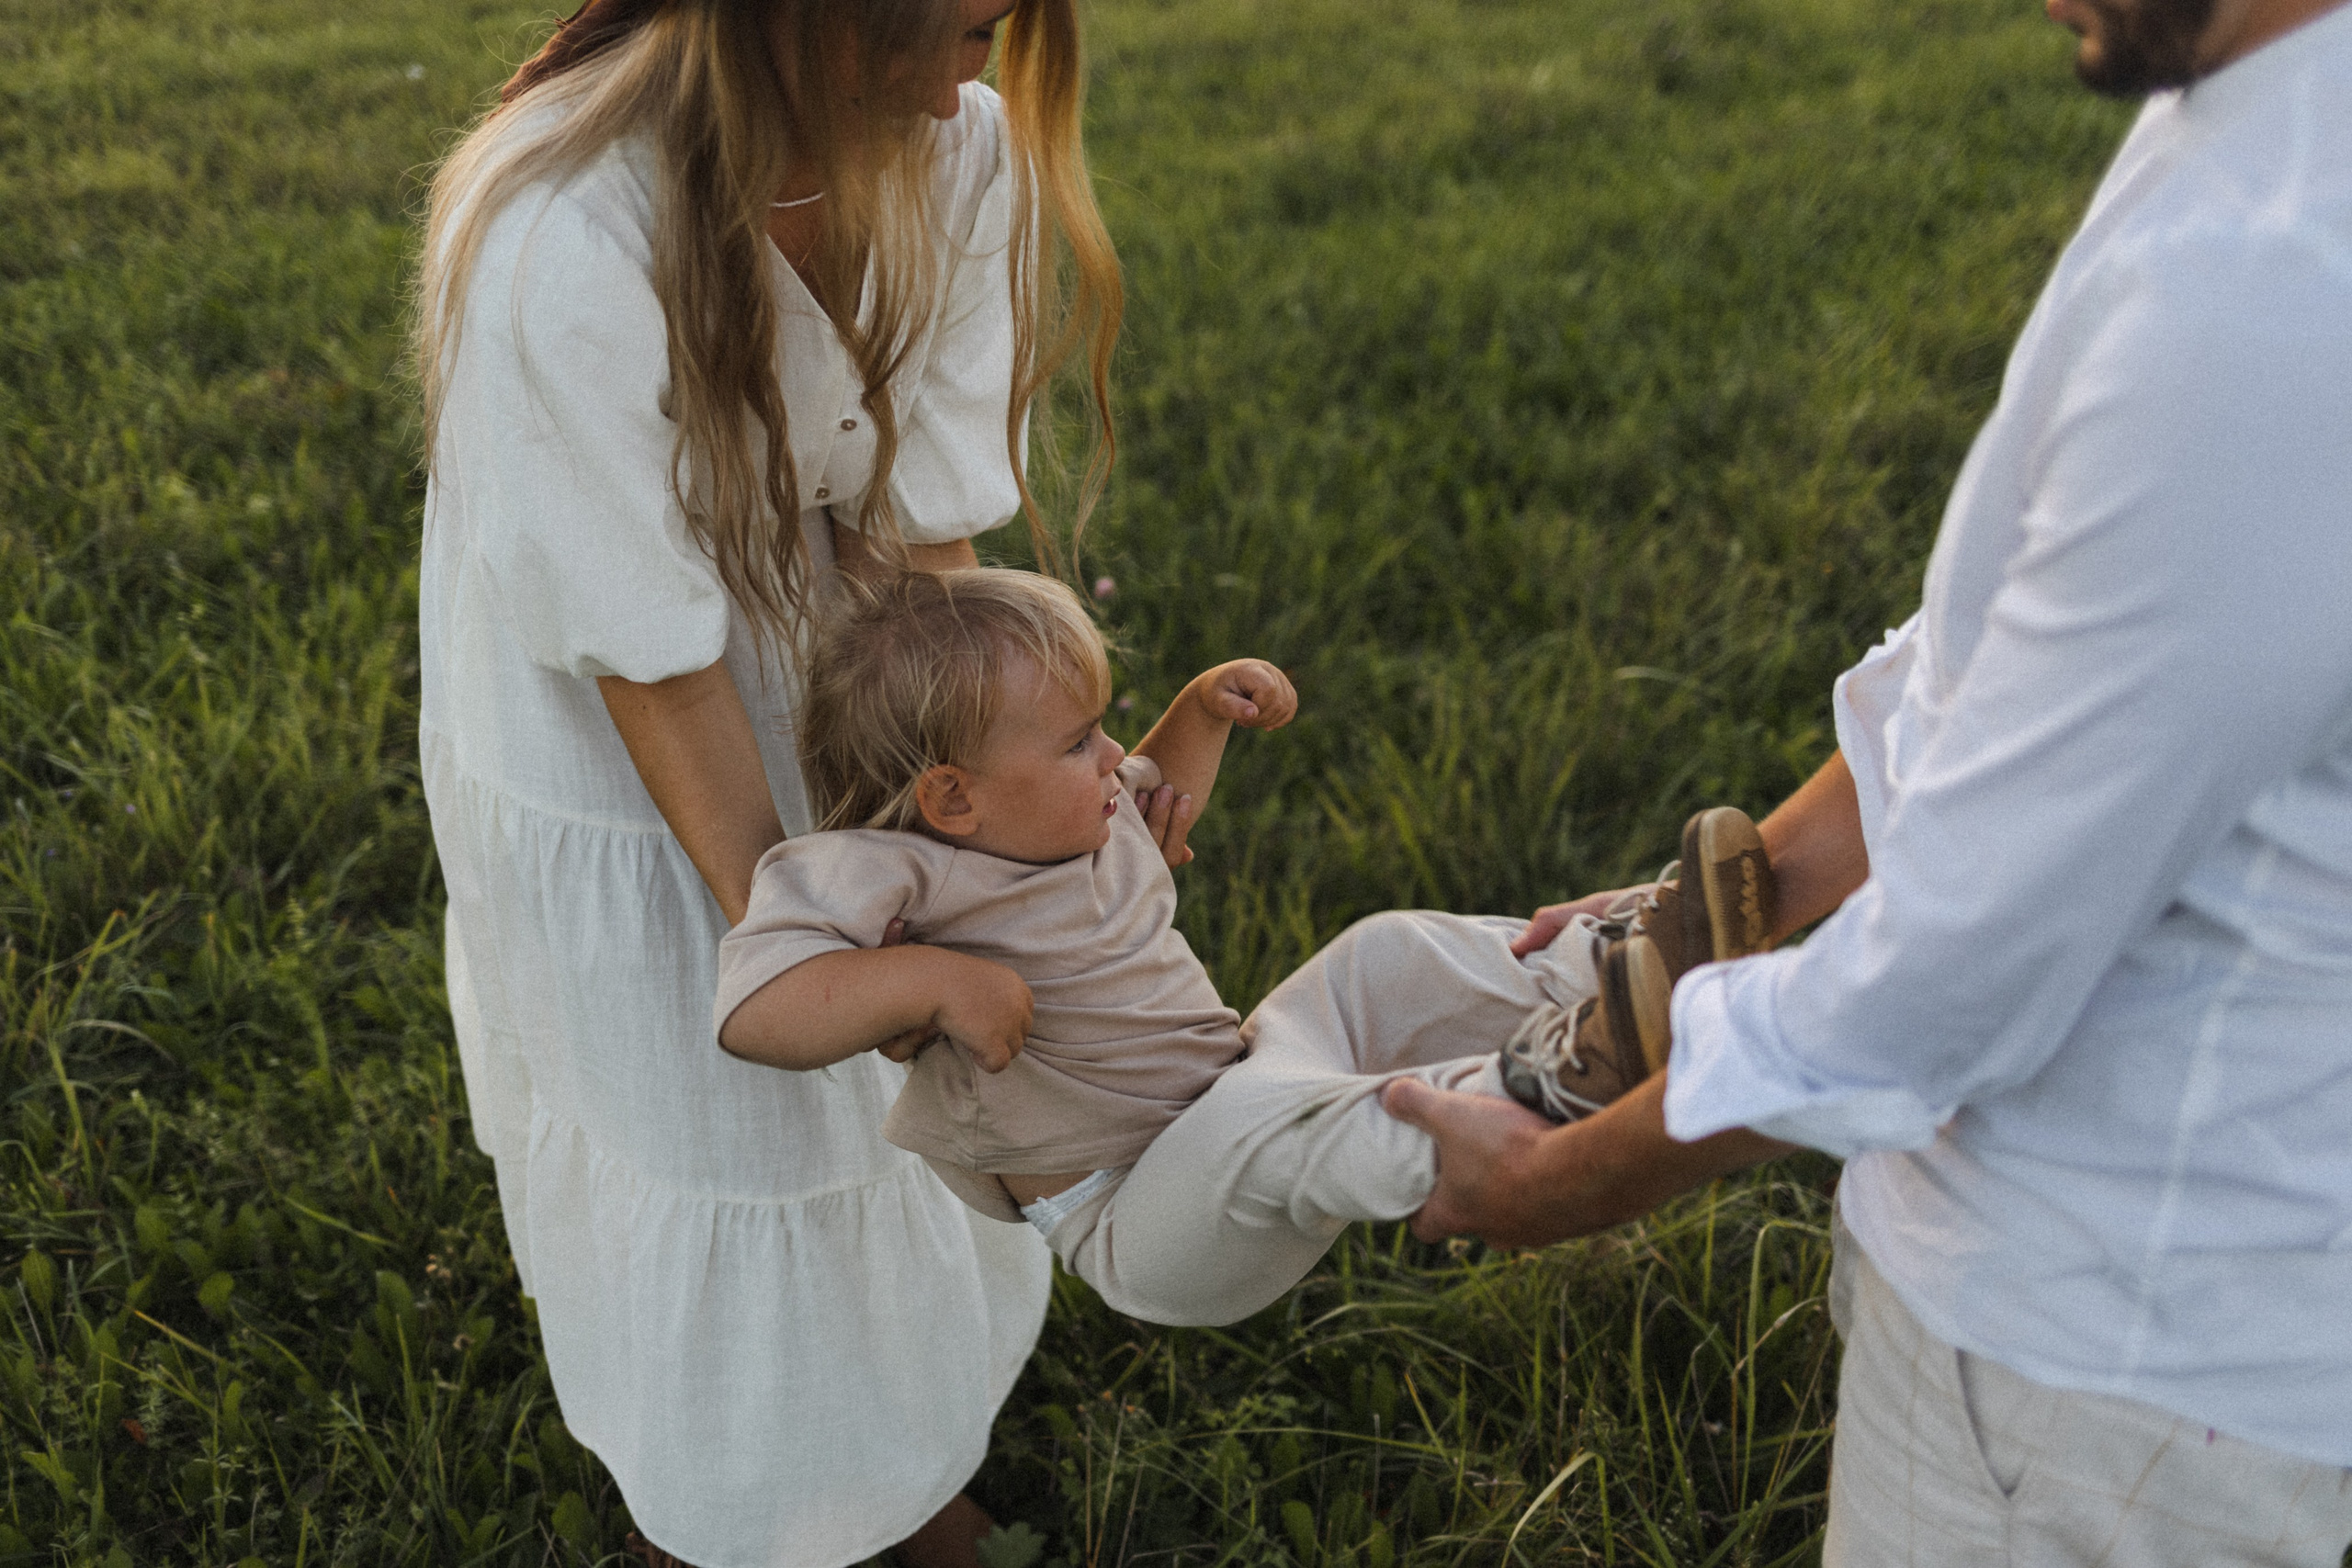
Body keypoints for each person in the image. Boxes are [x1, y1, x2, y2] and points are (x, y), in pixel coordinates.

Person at [1384, 0, 2352, 1559]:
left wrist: (1553, 1181)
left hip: (2103, 1358)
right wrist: (1724, 901)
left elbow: (1946, 988)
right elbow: (2020, 641)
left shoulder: (2273, 294)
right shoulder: (2257, 113)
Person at [410, 0, 1122, 1562]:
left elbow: (921, 536)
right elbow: (651, 660)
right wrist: (795, 935)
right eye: (956, 26)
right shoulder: (561, 232)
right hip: (617, 703)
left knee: (880, 1113)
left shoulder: (955, 149)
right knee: (720, 1104)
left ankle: (895, 1461)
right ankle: (721, 1511)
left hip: (839, 640)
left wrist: (980, 814)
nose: (981, 69)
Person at [712, 570, 1776, 1326]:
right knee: (1280, 1130)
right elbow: (757, 1010)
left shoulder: (1075, 821)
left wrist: (1202, 709)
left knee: (1378, 955)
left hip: (1233, 1090)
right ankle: (1535, 1088)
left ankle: (1609, 968)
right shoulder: (893, 871)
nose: (1112, 757)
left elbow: (1158, 791)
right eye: (1078, 741)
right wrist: (933, 979)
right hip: (1138, 1219)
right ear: (951, 798)